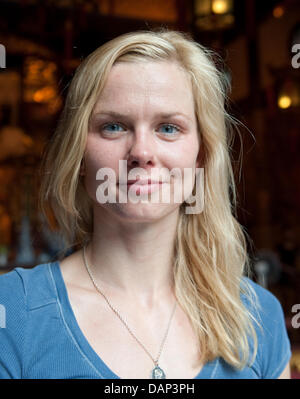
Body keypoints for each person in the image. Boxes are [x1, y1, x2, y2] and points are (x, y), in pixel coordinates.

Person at [0, 29, 291, 379]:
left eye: (168, 128)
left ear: (201, 156)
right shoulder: (13, 313)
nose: (141, 152)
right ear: (79, 155)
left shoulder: (259, 317)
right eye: (114, 126)